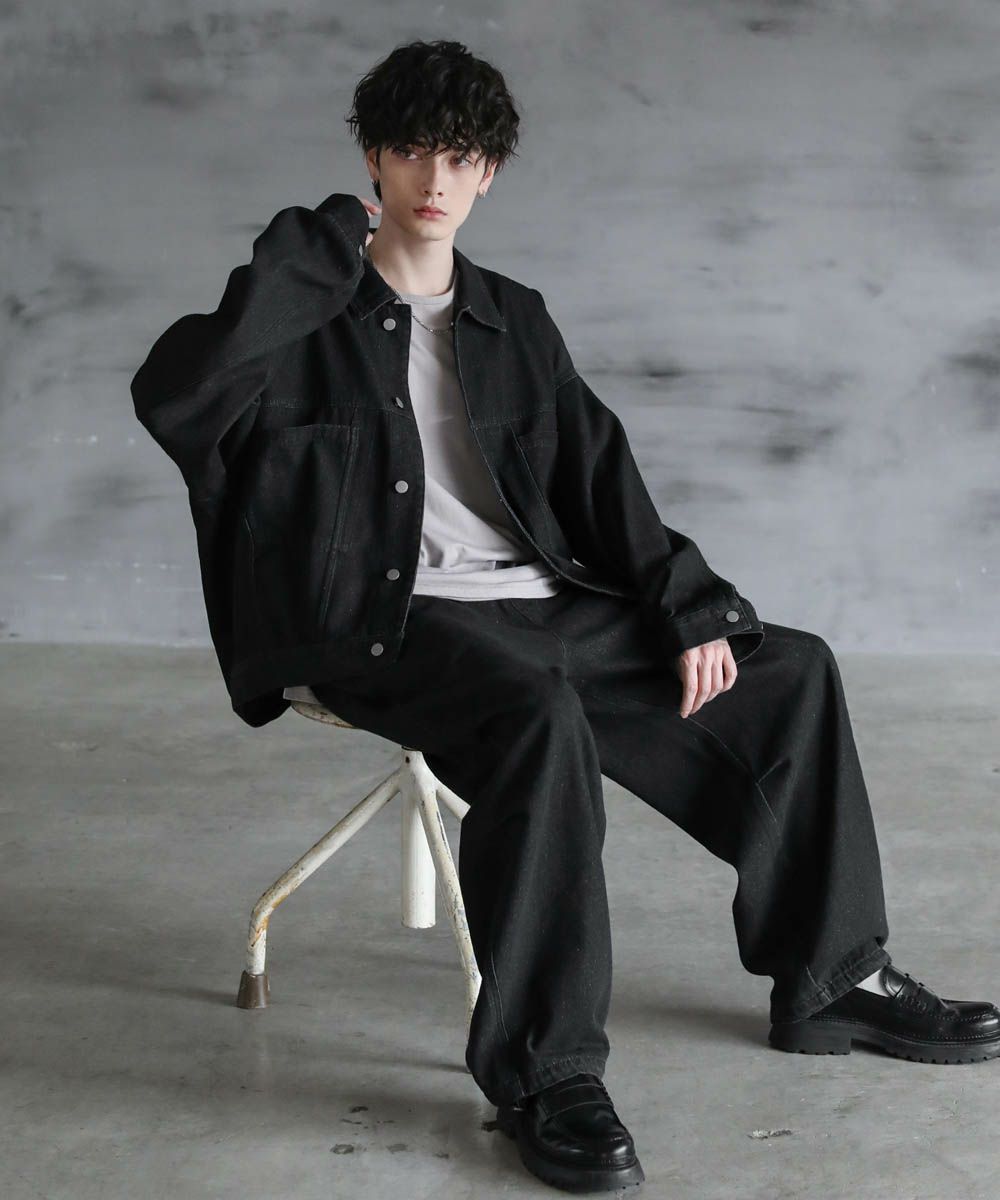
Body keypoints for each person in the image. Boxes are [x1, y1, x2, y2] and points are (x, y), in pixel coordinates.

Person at [132, 38, 1000, 1196]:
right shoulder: (306, 311)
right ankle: (547, 1075)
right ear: (372, 159)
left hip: (539, 606)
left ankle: (832, 976)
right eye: (410, 151)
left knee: (788, 670)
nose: (433, 178)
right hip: (376, 621)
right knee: (538, 714)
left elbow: (600, 479)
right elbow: (176, 398)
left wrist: (688, 606)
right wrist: (306, 254)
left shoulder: (512, 320)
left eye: (459, 156)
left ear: (488, 172)